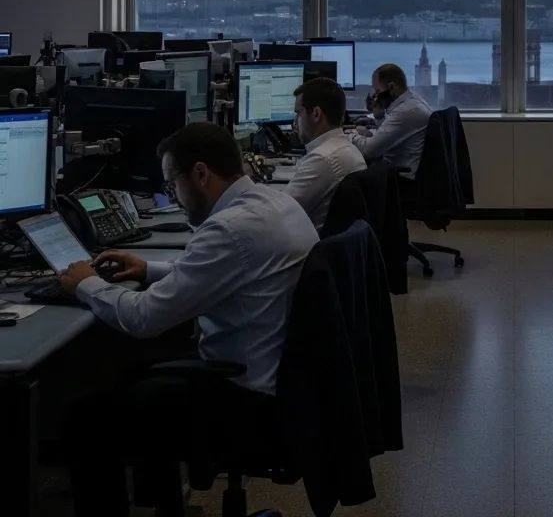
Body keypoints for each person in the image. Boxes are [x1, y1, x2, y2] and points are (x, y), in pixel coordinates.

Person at [58, 122, 318, 517]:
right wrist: (150, 270)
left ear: (200, 173)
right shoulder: (273, 204)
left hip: (247, 401)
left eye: (171, 183)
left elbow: (143, 318)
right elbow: (227, 271)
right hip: (283, 383)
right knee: (137, 380)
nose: (172, 196)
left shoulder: (228, 229)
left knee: (87, 419)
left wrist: (85, 284)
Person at [287, 76, 366, 231]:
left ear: (316, 114)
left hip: (312, 249)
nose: (295, 121)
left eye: (299, 113)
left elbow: (281, 213)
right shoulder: (346, 148)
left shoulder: (323, 159)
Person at [348, 63, 432, 177]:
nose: (375, 97)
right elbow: (395, 132)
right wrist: (379, 117)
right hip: (398, 171)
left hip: (400, 180)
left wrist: (349, 134)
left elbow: (368, 151)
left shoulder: (406, 112)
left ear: (391, 87)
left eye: (377, 91)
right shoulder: (413, 101)